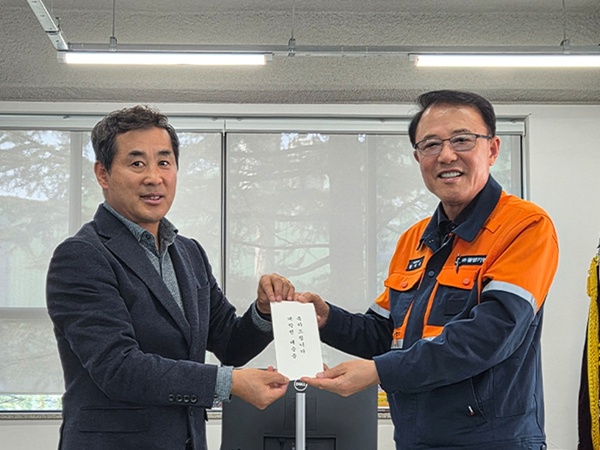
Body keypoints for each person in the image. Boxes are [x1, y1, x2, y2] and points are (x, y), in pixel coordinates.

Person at [298, 90, 559, 449]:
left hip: (493, 441)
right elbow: (386, 333)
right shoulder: (414, 239)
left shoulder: (525, 226)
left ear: (492, 149)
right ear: (418, 157)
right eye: (432, 144)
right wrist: (326, 318)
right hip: (414, 438)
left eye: (462, 140)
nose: (446, 155)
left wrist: (381, 371)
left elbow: (491, 335)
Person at [46, 105, 291, 450]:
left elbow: (231, 344)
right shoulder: (81, 256)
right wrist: (230, 383)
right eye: (136, 163)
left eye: (164, 162)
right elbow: (119, 368)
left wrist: (264, 311)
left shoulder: (189, 253)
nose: (154, 177)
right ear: (103, 174)